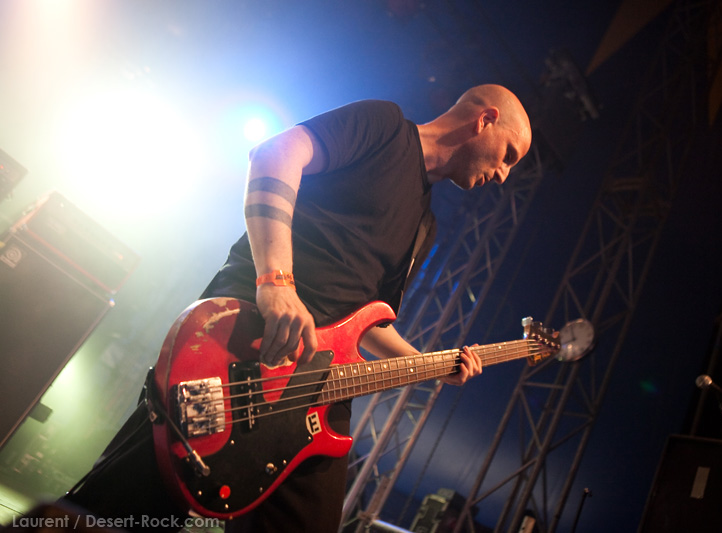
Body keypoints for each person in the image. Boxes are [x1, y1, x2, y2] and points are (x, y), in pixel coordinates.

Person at [62, 84, 532, 532]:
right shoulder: (386, 126)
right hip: (248, 342)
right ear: (484, 120)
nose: (504, 174)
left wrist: (434, 366)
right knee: (122, 509)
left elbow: (369, 322)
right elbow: (276, 153)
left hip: (315, 395)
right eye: (509, 155)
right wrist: (276, 280)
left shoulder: (425, 228)